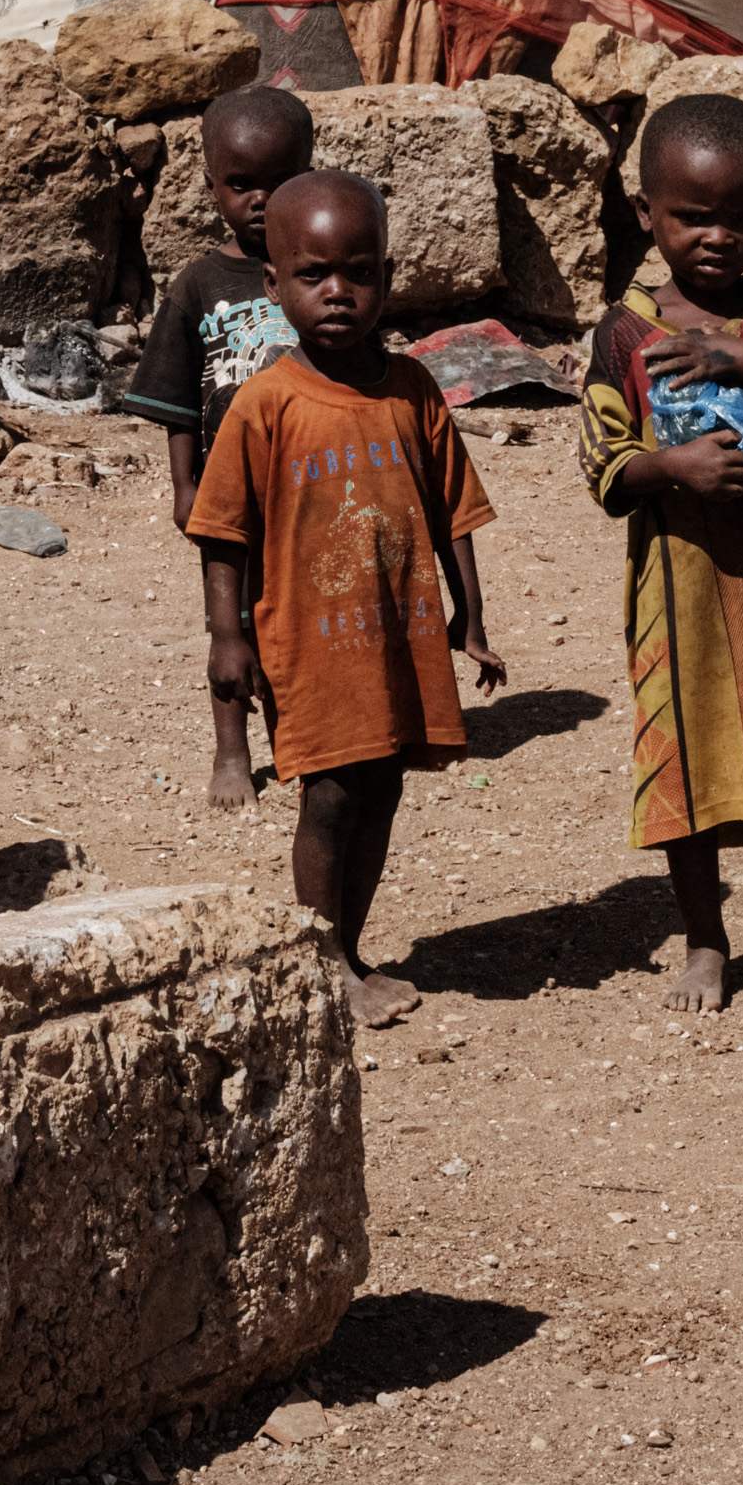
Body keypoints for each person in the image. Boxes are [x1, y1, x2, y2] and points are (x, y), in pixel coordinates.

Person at [186, 170, 504, 1023]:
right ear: (273, 285)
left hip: (397, 637)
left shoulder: (412, 391)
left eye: (358, 273)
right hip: (309, 643)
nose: (338, 294)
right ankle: (321, 958)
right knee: (328, 796)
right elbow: (222, 532)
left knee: (384, 789)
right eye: (314, 275)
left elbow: (454, 512)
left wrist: (470, 619)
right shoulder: (264, 406)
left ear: (388, 279)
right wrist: (228, 639)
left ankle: (350, 950)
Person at [585, 91, 743, 1023]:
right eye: (693, 216)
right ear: (648, 211)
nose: (719, 237)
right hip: (680, 598)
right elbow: (605, 465)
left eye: (741, 214)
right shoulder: (624, 335)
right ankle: (706, 936)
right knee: (682, 766)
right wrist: (672, 465)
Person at [121, 80, 320, 530]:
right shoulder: (198, 286)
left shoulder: (322, 273)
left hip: (319, 475)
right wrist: (184, 485)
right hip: (230, 483)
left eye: (281, 181)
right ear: (212, 185)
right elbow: (180, 403)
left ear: (308, 176)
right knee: (235, 585)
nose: (261, 200)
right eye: (241, 184)